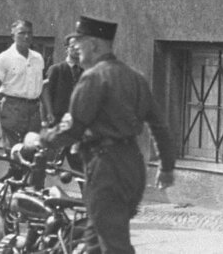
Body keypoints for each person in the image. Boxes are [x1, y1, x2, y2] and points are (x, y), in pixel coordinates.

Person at [39, 16, 176, 254]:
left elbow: (73, 128)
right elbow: (159, 125)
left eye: (79, 43)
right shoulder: (135, 78)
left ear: (94, 44)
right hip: (132, 167)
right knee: (94, 242)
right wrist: (166, 167)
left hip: (106, 168)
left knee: (114, 246)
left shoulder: (93, 77)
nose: (76, 49)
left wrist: (40, 140)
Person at [0, 19, 46, 150]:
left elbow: (42, 86)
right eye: (21, 33)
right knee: (14, 152)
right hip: (12, 108)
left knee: (33, 152)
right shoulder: (3, 58)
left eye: (29, 33)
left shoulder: (38, 58)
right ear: (12, 35)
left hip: (33, 110)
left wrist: (47, 112)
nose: (26, 36)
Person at [44, 37, 84, 126]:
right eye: (73, 47)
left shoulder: (84, 72)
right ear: (66, 49)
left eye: (79, 47)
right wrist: (46, 117)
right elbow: (46, 95)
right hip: (57, 119)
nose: (77, 50)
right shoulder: (56, 69)